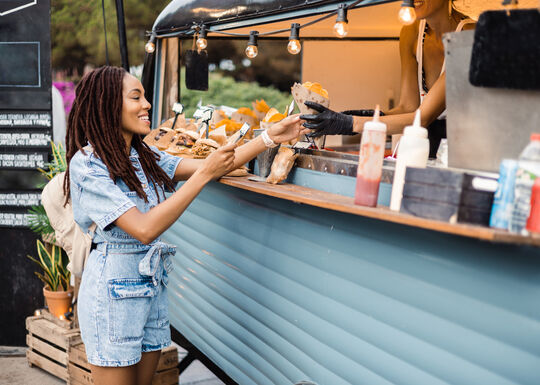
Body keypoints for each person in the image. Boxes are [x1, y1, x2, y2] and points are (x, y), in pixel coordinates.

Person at [63, 66, 307, 385]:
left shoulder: (143, 155)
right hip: (112, 289)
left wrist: (269, 136)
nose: (147, 104)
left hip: (149, 283)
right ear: (107, 104)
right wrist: (204, 175)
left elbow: (216, 164)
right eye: (135, 97)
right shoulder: (87, 165)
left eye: (145, 96)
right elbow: (145, 228)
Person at [301, 0, 475, 157]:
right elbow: (408, 106)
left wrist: (349, 124)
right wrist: (365, 116)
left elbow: (423, 118)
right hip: (423, 144)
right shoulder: (412, 31)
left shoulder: (469, 34)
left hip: (462, 148)